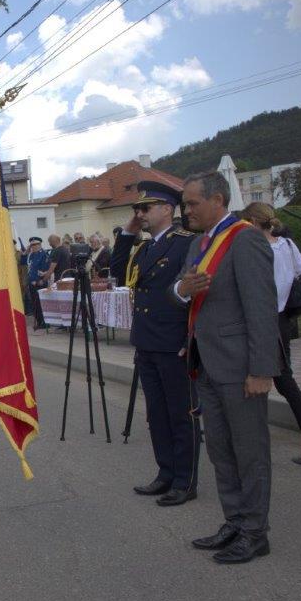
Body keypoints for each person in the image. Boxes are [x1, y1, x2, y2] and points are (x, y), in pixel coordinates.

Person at [174, 171, 280, 565]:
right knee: (220, 450)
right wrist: (182, 290)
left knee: (249, 452)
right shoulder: (200, 243)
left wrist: (262, 370)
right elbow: (181, 291)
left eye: (192, 203)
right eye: (185, 205)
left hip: (240, 368)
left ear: (217, 200)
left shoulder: (245, 238)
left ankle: (255, 532)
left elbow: (262, 308)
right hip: (208, 364)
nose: (187, 211)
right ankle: (234, 521)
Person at [110, 181, 199, 507]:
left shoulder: (187, 243)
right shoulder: (144, 247)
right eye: (136, 209)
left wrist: (191, 340)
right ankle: (165, 472)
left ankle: (185, 480)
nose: (139, 213)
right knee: (157, 414)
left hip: (174, 342)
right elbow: (118, 272)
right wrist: (129, 232)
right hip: (147, 340)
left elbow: (193, 294)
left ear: (167, 209)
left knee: (180, 413)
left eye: (145, 208)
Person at [240, 203, 301, 466]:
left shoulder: (255, 248)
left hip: (263, 319)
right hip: (282, 318)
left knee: (277, 377)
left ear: (253, 221)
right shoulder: (287, 245)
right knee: (279, 376)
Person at [23, 237, 49, 329]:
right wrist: (27, 250)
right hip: (31, 283)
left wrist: (39, 280)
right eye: (32, 245)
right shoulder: (31, 255)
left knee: (40, 303)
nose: (33, 246)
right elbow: (22, 261)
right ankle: (39, 321)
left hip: (40, 283)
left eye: (35, 245)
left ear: (40, 244)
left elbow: (46, 269)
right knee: (34, 304)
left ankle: (43, 322)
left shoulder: (43, 255)